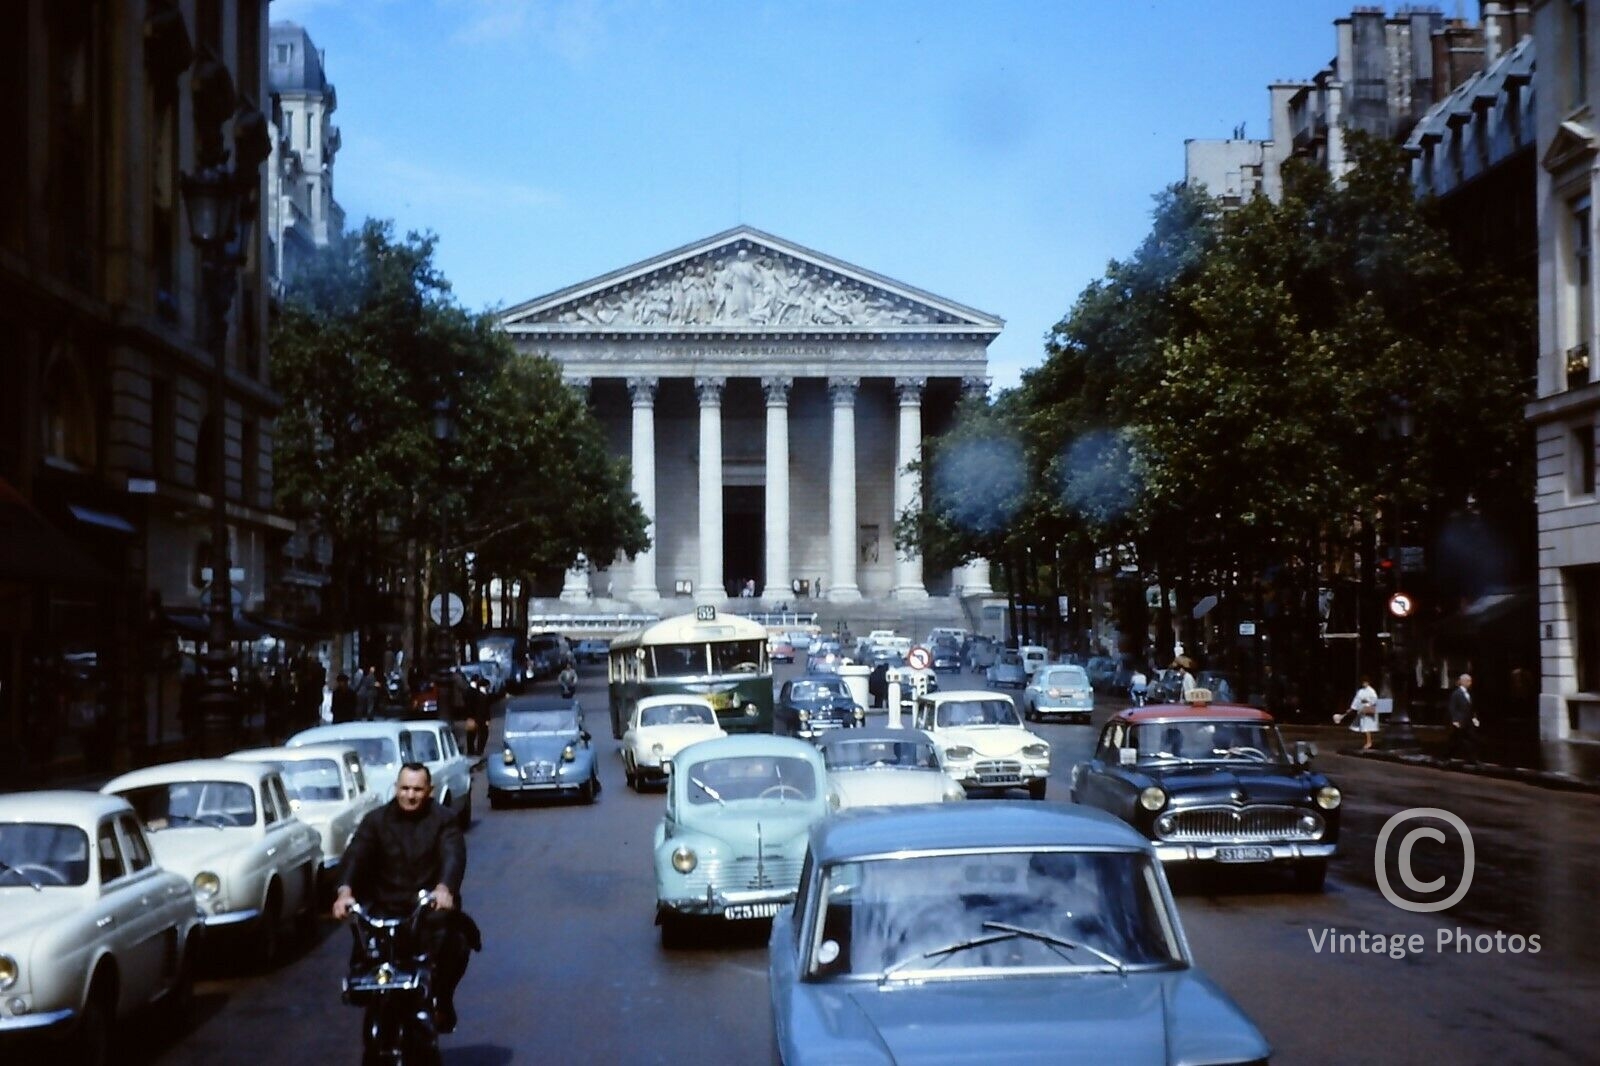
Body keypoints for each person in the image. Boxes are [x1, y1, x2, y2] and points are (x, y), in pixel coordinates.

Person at [333, 763, 477, 1034]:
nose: (410, 795)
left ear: (429, 791)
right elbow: (356, 854)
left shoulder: (443, 819)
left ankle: (441, 1000)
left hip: (427, 909)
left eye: (417, 789)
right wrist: (345, 892)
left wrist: (445, 889)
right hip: (383, 909)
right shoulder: (375, 820)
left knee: (456, 943)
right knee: (364, 959)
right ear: (396, 788)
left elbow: (452, 854)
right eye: (405, 788)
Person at [1445, 673, 1479, 763]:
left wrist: (1474, 718)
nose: (1470, 683)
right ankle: (1447, 756)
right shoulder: (1456, 693)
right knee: (1456, 740)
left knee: (1471, 739)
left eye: (1470, 681)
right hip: (1460, 721)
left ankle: (1472, 759)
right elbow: (1452, 707)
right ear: (1463, 682)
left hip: (1468, 721)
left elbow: (1471, 708)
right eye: (1468, 681)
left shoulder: (1469, 693)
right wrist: (1455, 720)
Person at [1343, 675, 1380, 750]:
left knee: (1367, 727)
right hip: (1363, 711)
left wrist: (1367, 702)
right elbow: (1356, 700)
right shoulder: (1360, 691)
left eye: (1365, 682)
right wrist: (1351, 708)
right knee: (1364, 727)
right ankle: (1368, 742)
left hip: (1368, 711)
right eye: (1363, 682)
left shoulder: (1371, 691)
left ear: (1368, 683)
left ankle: (1369, 742)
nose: (1364, 684)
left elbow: (1375, 700)